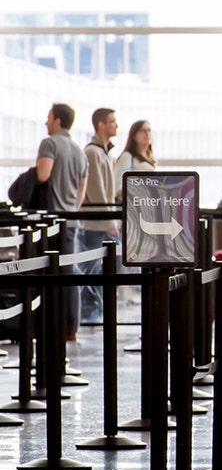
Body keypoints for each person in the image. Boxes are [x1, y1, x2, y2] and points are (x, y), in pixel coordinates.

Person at [36, 103, 88, 341]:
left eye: (48, 117)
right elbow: (81, 192)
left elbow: (42, 175)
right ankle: (70, 327)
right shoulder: (79, 150)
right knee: (71, 273)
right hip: (72, 220)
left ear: (58, 120)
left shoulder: (50, 144)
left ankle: (52, 326)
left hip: (53, 221)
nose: (46, 122)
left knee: (51, 274)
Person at [79, 108, 120, 324]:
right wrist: (110, 219)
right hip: (96, 223)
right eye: (112, 121)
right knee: (93, 268)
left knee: (103, 268)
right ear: (101, 124)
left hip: (104, 221)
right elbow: (96, 191)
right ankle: (91, 315)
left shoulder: (104, 152)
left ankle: (99, 313)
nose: (116, 125)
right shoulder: (93, 152)